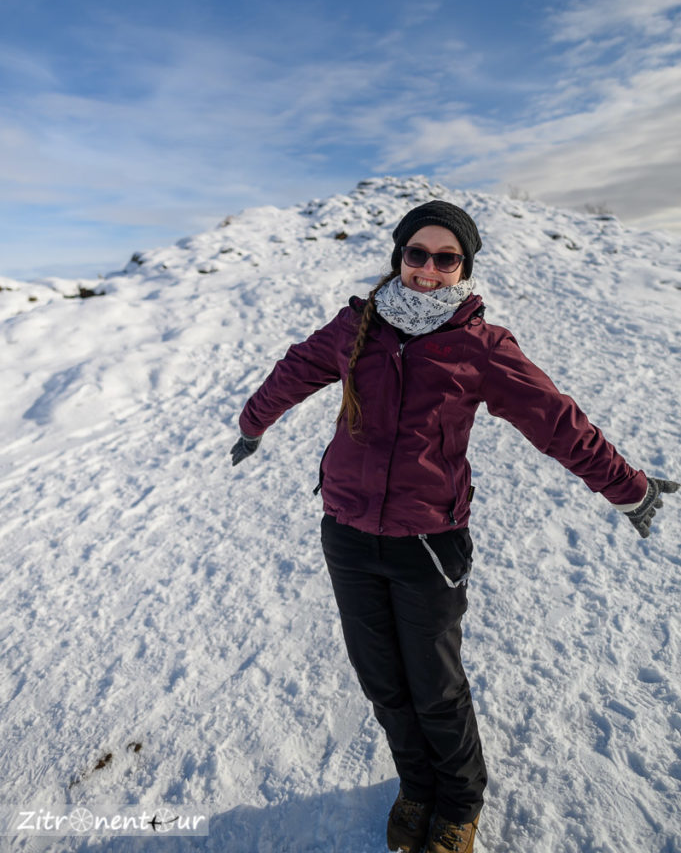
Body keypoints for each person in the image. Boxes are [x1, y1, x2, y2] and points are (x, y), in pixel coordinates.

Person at [230, 200, 678, 853]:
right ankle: (417, 788)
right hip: (347, 534)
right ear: (399, 257)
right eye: (417, 254)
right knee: (382, 681)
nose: (429, 269)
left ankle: (460, 804)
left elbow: (556, 421)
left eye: (447, 259)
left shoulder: (480, 345)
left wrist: (628, 487)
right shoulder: (356, 327)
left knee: (434, 687)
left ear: (463, 268)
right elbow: (293, 371)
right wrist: (252, 425)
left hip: (428, 545)